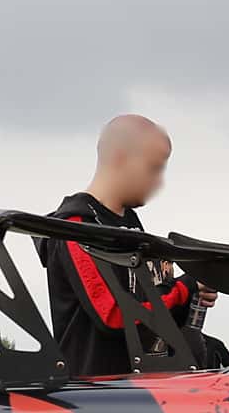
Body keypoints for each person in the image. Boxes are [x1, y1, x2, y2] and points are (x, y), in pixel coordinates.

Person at [46, 112, 176, 378]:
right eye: (154, 168)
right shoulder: (76, 226)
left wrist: (192, 292)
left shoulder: (131, 226)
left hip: (137, 388)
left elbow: (149, 310)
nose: (159, 181)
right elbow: (114, 316)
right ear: (120, 157)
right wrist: (185, 290)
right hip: (94, 397)